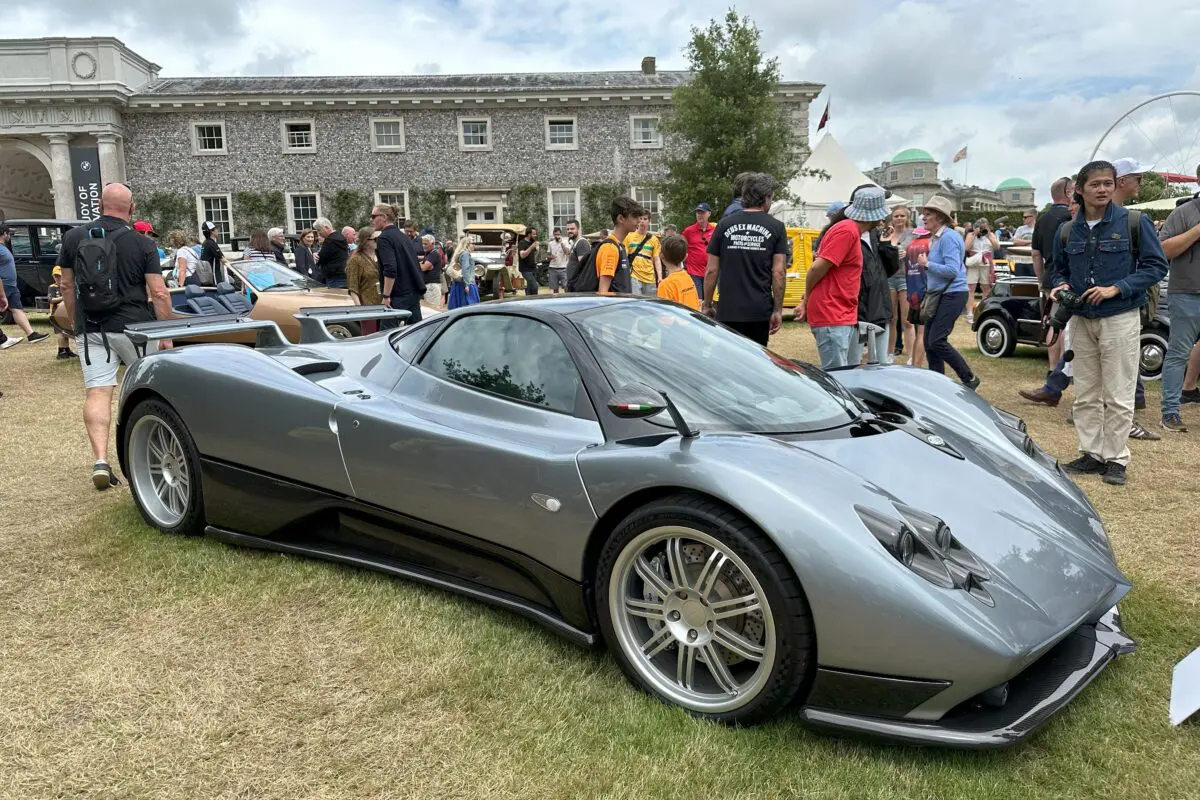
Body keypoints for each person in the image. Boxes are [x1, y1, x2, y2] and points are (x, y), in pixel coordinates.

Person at [1050, 160, 1168, 486]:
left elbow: (1156, 266)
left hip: (1120, 316)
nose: (1103, 189)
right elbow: (1056, 270)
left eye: (1108, 183)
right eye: (1095, 184)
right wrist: (1059, 287)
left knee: (1118, 392)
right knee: (1086, 392)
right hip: (1082, 319)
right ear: (1080, 190)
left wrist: (1118, 287)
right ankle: (1091, 453)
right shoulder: (1066, 230)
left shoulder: (1134, 221)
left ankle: (1116, 458)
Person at [56, 183, 175, 490]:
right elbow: (159, 292)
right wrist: (167, 333)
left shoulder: (72, 237)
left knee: (97, 392)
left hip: (92, 327)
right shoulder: (142, 243)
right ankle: (153, 453)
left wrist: (74, 320)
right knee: (151, 391)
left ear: (99, 204)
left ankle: (100, 460)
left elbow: (66, 286)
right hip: (136, 328)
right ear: (132, 208)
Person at [703, 173, 790, 345]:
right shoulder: (777, 227)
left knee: (730, 361)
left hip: (728, 309)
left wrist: (707, 304)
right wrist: (778, 310)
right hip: (759, 310)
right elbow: (779, 272)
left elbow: (711, 270)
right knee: (755, 363)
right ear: (766, 197)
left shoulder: (723, 225)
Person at [1019, 178, 1076, 405]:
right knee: (1066, 331)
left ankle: (1053, 373)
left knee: (1055, 327)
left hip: (1051, 279)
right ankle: (1056, 380)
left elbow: (1035, 254)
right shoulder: (1072, 218)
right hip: (1070, 280)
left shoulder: (1042, 220)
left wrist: (1042, 280)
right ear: (1068, 192)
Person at [793, 202, 866, 369]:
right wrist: (806, 299)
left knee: (844, 375)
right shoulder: (847, 230)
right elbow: (817, 268)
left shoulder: (849, 230)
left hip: (839, 314)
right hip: (832, 314)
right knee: (837, 379)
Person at [918, 195, 979, 389]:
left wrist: (927, 264)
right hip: (941, 294)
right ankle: (939, 385)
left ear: (940, 217)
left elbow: (953, 270)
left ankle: (969, 378)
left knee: (936, 340)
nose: (923, 218)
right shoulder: (937, 238)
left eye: (927, 215)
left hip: (952, 294)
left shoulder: (948, 238)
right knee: (929, 343)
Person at [1157, 192, 1200, 432]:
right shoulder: (1183, 213)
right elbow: (1163, 249)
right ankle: (1170, 412)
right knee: (1178, 354)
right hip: (1186, 294)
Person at [847, 187, 900, 364]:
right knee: (852, 362)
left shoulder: (875, 234)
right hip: (855, 308)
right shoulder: (847, 232)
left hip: (878, 305)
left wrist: (887, 246)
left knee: (881, 362)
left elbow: (886, 270)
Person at [373, 203, 424, 326]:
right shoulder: (403, 237)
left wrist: (386, 296)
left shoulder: (384, 238)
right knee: (416, 333)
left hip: (397, 295)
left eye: (374, 216)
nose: (371, 219)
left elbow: (390, 269)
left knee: (386, 336)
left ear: (384, 217)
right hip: (412, 292)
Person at [0, 224, 50, 349]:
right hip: (3, 285)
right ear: (4, 234)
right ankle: (2, 339)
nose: (10, 236)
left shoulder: (4, 248)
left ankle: (31, 334)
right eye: (9, 233)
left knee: (17, 308)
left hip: (11, 285)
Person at [594, 197, 643, 293]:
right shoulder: (610, 248)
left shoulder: (618, 245)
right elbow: (603, 292)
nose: (639, 220)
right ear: (621, 218)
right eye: (634, 216)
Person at [885, 206, 915, 359]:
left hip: (905, 277)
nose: (899, 218)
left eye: (902, 215)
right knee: (891, 318)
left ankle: (911, 357)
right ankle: (890, 354)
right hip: (889, 277)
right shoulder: (887, 235)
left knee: (907, 320)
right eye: (896, 216)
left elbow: (921, 253)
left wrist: (908, 253)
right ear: (892, 218)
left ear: (907, 218)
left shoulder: (913, 235)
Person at [903, 227, 932, 368]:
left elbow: (906, 268)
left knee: (917, 331)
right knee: (922, 332)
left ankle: (914, 363)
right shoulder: (930, 244)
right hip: (925, 290)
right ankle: (917, 366)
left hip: (912, 290)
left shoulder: (909, 246)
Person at [964, 217, 998, 322]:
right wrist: (974, 234)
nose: (982, 229)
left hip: (986, 262)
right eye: (980, 227)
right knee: (971, 288)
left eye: (984, 227)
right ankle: (969, 313)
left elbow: (997, 247)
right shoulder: (970, 235)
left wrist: (988, 235)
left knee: (986, 288)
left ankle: (982, 311)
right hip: (973, 262)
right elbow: (966, 248)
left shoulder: (991, 234)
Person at [656, 233, 698, 309]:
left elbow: (665, 317)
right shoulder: (688, 277)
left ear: (661, 255)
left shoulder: (665, 285)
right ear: (685, 257)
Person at [682, 203, 716, 296]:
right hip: (694, 272)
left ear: (709, 214)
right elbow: (680, 247)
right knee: (698, 301)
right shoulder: (688, 231)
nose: (699, 215)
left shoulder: (715, 230)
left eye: (702, 213)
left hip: (710, 273)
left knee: (710, 302)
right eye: (698, 212)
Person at [624, 213, 661, 296]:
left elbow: (657, 259)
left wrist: (660, 276)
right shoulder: (629, 236)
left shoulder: (654, 239)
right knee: (636, 301)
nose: (642, 221)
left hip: (650, 276)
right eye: (640, 219)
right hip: (633, 275)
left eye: (645, 219)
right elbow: (624, 256)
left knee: (650, 303)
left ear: (649, 221)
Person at [346, 226, 381, 307]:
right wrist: (360, 310)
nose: (378, 241)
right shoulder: (356, 260)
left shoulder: (381, 256)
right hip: (367, 306)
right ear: (366, 241)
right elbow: (353, 288)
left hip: (383, 304)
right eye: (375, 239)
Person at [47, 265, 77, 359]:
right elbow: (51, 300)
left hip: (66, 313)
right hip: (57, 314)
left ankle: (67, 349)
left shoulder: (68, 286)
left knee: (67, 332)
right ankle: (61, 351)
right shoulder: (52, 287)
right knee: (60, 333)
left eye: (59, 276)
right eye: (55, 276)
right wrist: (63, 298)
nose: (57, 278)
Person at [447, 235, 481, 309]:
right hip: (466, 284)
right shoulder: (465, 254)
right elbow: (465, 270)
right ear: (467, 244)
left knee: (458, 307)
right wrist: (467, 285)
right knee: (469, 308)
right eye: (472, 243)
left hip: (458, 284)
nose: (474, 245)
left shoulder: (460, 254)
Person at [313, 218, 348, 288]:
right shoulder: (340, 237)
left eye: (319, 230)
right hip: (343, 275)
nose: (318, 233)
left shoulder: (330, 240)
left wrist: (316, 255)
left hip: (334, 277)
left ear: (326, 228)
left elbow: (321, 258)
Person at [420, 234, 446, 306]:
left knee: (432, 309)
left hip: (432, 286)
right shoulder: (429, 254)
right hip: (429, 286)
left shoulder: (433, 254)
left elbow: (423, 268)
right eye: (422, 244)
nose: (423, 245)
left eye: (425, 244)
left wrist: (414, 262)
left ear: (433, 243)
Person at [564, 219, 591, 288]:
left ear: (578, 229)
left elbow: (584, 266)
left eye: (572, 229)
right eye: (568, 229)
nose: (569, 231)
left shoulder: (581, 243)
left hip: (577, 284)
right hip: (573, 283)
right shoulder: (575, 243)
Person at [200, 220, 225, 284]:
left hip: (208, 276)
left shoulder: (205, 243)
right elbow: (223, 260)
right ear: (212, 231)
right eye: (216, 228)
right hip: (214, 276)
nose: (218, 230)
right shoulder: (211, 244)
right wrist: (237, 269)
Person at [517, 227, 539, 296]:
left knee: (530, 288)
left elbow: (535, 254)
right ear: (529, 234)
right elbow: (522, 255)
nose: (535, 236)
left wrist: (537, 248)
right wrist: (531, 247)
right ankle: (535, 300)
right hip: (525, 269)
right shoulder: (522, 243)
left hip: (533, 268)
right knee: (535, 286)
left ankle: (529, 301)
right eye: (534, 234)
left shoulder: (532, 242)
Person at [547, 227, 570, 294]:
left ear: (561, 234)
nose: (557, 236)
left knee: (566, 286)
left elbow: (567, 252)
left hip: (563, 267)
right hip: (553, 268)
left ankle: (568, 299)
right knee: (555, 288)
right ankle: (556, 300)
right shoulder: (550, 243)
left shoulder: (565, 242)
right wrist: (550, 257)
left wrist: (561, 243)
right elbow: (548, 255)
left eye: (558, 234)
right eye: (556, 234)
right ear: (554, 235)